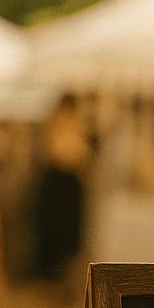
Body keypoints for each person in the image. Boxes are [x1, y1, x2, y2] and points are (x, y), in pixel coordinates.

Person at [30, 94, 89, 282]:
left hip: (64, 182)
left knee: (62, 235)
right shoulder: (64, 123)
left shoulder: (67, 123)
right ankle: (54, 277)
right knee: (59, 234)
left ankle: (57, 277)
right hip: (60, 181)